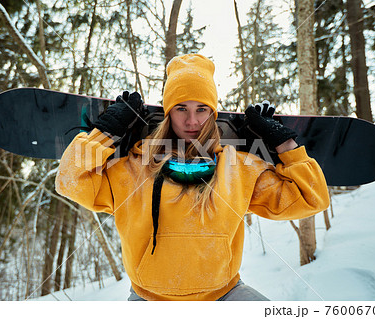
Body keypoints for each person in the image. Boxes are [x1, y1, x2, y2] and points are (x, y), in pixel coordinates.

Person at [55, 53, 330, 301]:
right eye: (181, 108)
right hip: (149, 299)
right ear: (167, 113)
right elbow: (70, 181)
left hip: (224, 294)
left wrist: (284, 143)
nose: (192, 121)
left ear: (212, 113)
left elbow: (311, 199)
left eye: (201, 109)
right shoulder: (135, 166)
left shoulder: (239, 167)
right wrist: (106, 131)